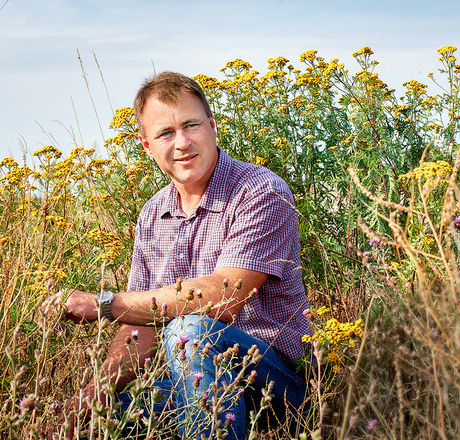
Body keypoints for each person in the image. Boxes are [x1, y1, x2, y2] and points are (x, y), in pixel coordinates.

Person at [40, 71, 311, 440]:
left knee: (189, 330)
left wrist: (105, 304)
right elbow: (142, 324)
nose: (182, 142)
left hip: (278, 385)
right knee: (104, 418)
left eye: (191, 125)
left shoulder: (259, 190)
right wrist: (95, 394)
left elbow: (223, 298)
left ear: (213, 127)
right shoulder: (153, 214)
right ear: (147, 146)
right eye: (165, 133)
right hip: (197, 383)